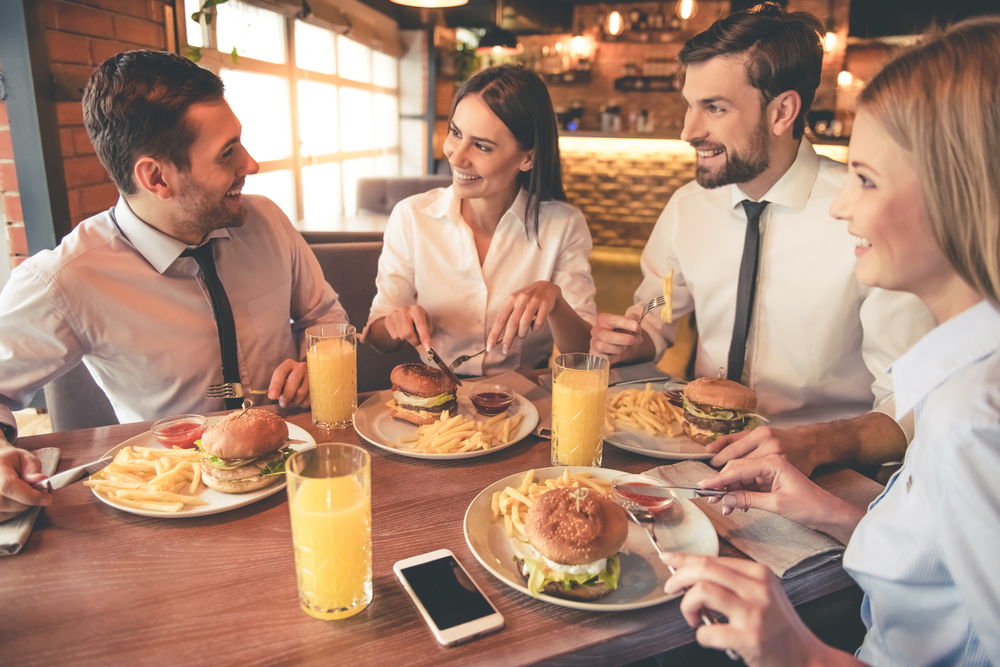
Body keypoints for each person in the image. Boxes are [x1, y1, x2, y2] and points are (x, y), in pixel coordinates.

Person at [663, 18, 1000, 665]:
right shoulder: (958, 380)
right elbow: (937, 565)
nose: (840, 206)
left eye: (865, 179)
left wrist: (801, 653)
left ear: (960, 192)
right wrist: (826, 510)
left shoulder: (973, 418)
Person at [0, 50, 347, 520]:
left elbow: (324, 316)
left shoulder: (267, 220)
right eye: (227, 153)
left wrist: (313, 360)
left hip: (304, 476)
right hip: (176, 510)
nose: (251, 164)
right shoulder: (66, 278)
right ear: (156, 177)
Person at [589, 3, 934, 475]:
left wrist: (819, 443)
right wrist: (634, 337)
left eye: (715, 108)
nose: (688, 131)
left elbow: (913, 400)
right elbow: (660, 310)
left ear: (782, 111)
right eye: (690, 105)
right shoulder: (688, 207)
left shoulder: (867, 215)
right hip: (691, 452)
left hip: (822, 471)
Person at [363, 65, 596, 376]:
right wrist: (395, 323)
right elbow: (377, 338)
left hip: (526, 393)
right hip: (437, 393)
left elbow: (584, 354)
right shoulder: (411, 216)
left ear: (527, 157)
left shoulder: (564, 226)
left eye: (482, 146)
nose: (456, 157)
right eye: (456, 133)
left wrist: (556, 301)